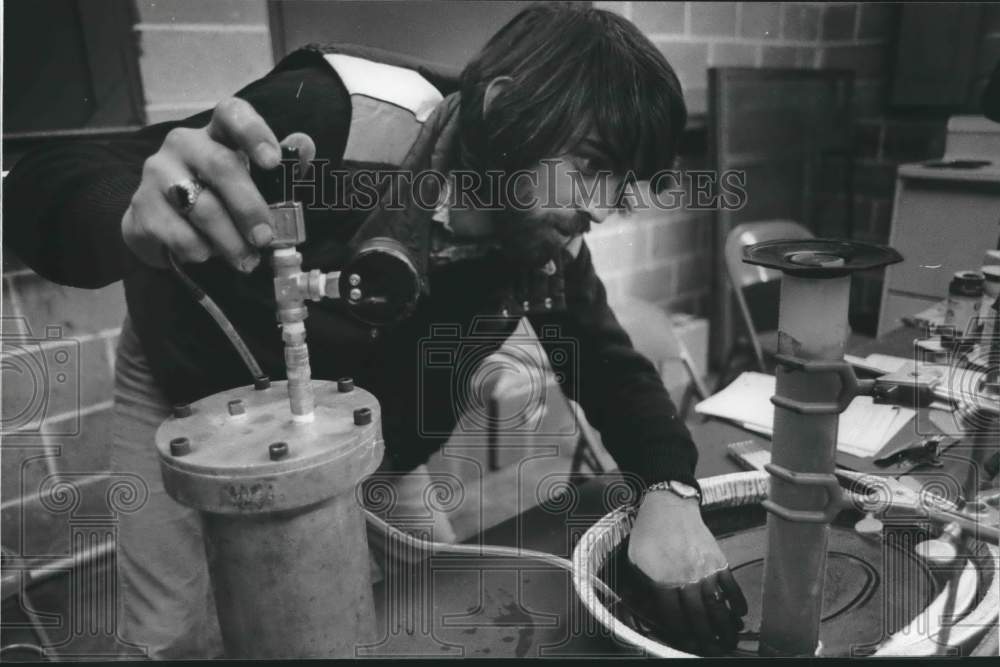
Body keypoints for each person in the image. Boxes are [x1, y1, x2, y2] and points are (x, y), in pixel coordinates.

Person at [5, 4, 746, 658]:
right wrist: (126, 210)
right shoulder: (341, 114)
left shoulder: (546, 237)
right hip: (193, 395)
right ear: (509, 111)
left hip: (373, 435)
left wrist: (671, 488)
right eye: (592, 167)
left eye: (623, 183)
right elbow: (59, 172)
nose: (603, 206)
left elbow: (609, 368)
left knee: (446, 607)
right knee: (176, 635)